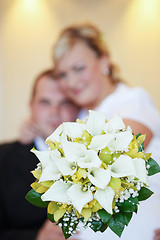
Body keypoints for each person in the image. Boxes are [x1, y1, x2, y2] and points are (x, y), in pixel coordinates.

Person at [52, 22, 160, 240]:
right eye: (62, 75)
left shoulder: (132, 100)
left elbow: (111, 159)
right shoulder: (82, 116)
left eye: (79, 68)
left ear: (104, 60)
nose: (71, 82)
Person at [0, 69, 80, 240]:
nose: (55, 111)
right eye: (45, 102)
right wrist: (37, 237)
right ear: (32, 106)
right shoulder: (3, 158)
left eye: (65, 102)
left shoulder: (99, 155)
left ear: (78, 107)